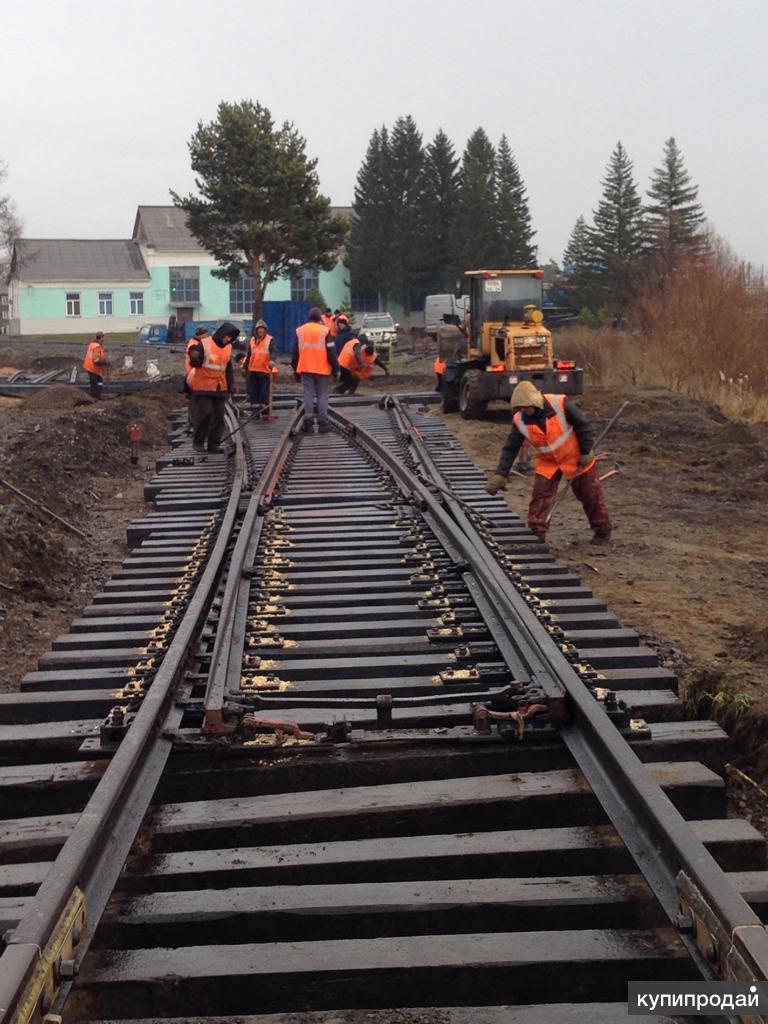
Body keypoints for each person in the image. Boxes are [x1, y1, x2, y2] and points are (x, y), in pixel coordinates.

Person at [486, 380, 612, 544]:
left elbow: (583, 425)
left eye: (527, 407)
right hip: (548, 463)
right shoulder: (520, 420)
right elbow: (511, 448)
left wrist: (586, 451)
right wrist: (501, 474)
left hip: (575, 458)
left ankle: (602, 531)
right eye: (521, 408)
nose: (525, 411)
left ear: (535, 402)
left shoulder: (560, 403)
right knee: (540, 499)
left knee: (590, 495)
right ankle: (536, 534)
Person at [187, 322, 239, 453]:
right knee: (205, 416)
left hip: (220, 388)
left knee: (218, 417)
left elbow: (228, 369)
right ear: (222, 334)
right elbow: (195, 362)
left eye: (231, 338)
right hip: (204, 387)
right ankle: (198, 442)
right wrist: (194, 357)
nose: (228, 339)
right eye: (228, 336)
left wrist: (231, 386)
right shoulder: (205, 344)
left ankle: (213, 444)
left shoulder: (228, 348)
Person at [291, 306, 338, 433]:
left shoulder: (300, 331)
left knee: (308, 394)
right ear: (320, 318)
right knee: (322, 394)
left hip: (306, 368)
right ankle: (323, 422)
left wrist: (295, 369)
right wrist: (335, 368)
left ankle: (308, 422)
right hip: (322, 369)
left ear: (309, 317)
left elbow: (295, 353)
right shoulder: (325, 331)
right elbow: (332, 352)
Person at [243, 319, 274, 419]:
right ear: (256, 331)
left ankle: (265, 413)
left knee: (264, 393)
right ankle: (255, 413)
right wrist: (245, 367)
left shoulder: (269, 340)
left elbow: (273, 352)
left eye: (262, 330)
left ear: (265, 331)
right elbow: (249, 355)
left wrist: (272, 360)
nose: (260, 332)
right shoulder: (252, 340)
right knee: (254, 393)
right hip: (253, 371)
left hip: (264, 370)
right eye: (259, 330)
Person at [183, 326, 209, 432]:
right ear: (201, 335)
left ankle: (194, 423)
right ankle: (194, 424)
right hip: (194, 375)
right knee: (195, 401)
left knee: (195, 401)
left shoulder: (195, 342)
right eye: (206, 334)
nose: (207, 336)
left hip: (193, 374)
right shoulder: (195, 345)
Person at [83, 332, 110, 399]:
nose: (103, 340)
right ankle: (94, 397)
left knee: (99, 381)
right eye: (103, 338)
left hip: (90, 367)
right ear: (100, 338)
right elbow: (96, 360)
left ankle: (97, 395)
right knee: (94, 383)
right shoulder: (97, 346)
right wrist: (105, 363)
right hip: (92, 368)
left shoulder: (92, 344)